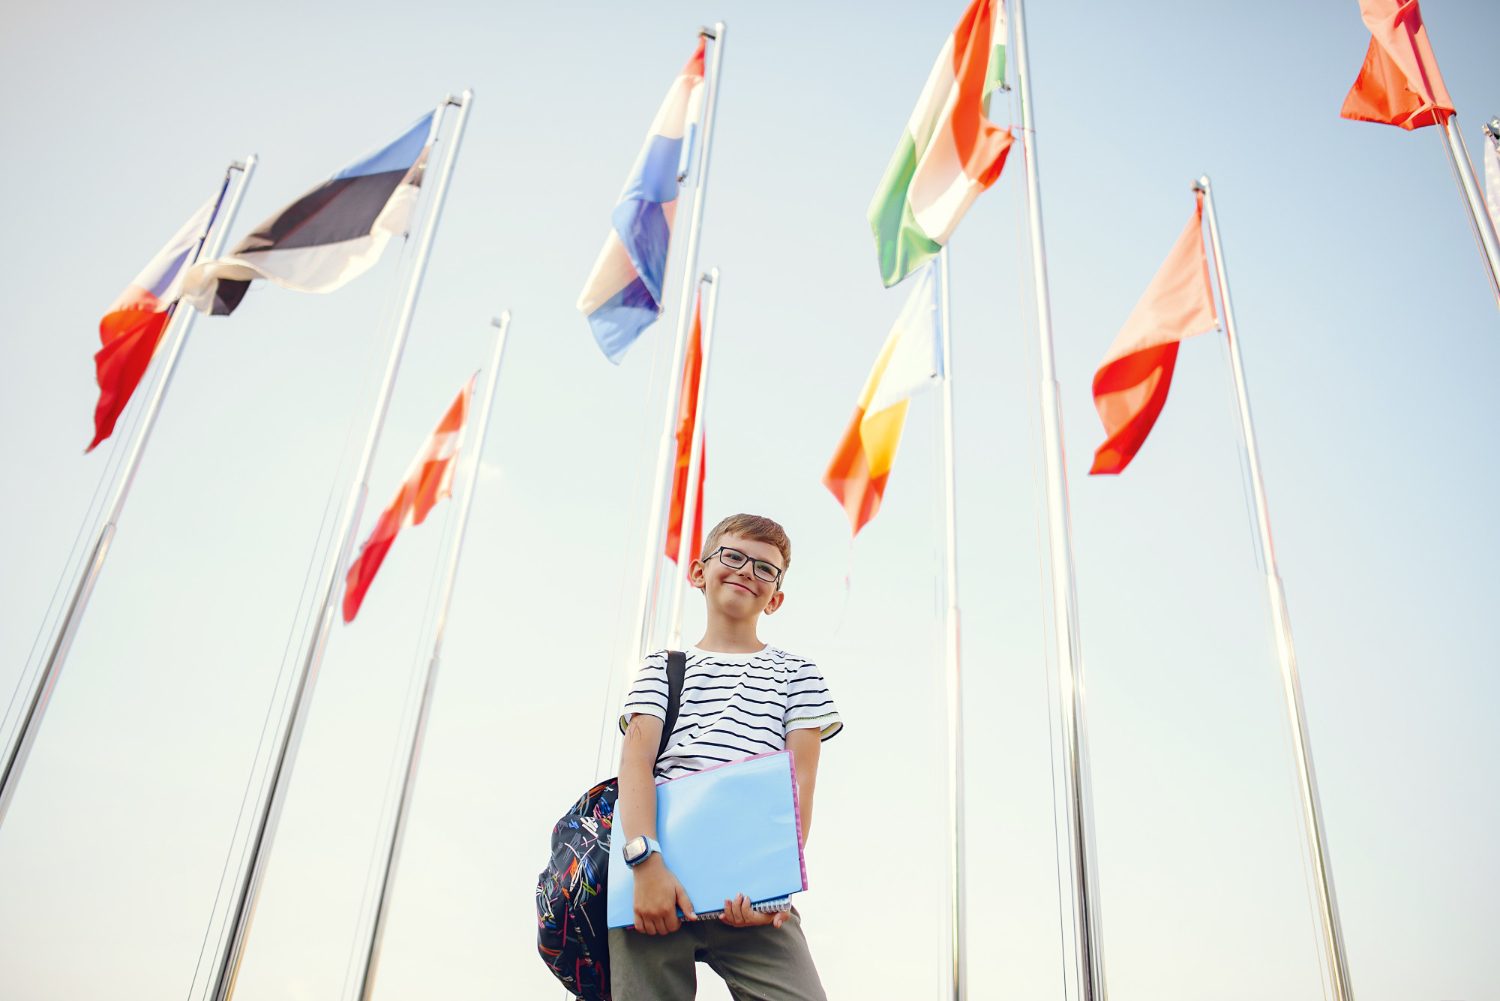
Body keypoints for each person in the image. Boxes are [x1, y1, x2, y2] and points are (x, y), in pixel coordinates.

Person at [611, 513, 842, 1001]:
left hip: (751, 891)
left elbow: (800, 783)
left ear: (775, 598)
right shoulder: (662, 666)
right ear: (699, 572)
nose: (746, 572)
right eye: (733, 557)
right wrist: (646, 865)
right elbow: (636, 766)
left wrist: (774, 888)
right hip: (656, 881)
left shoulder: (798, 674)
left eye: (765, 569)